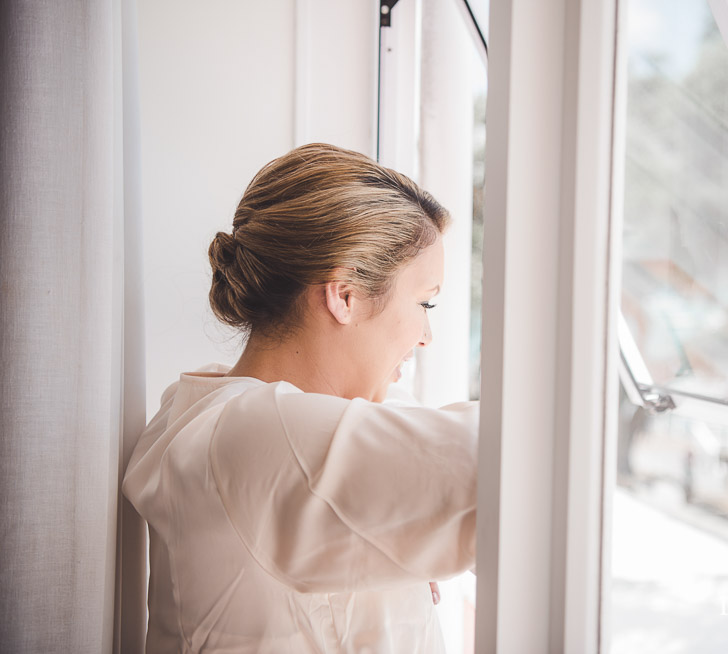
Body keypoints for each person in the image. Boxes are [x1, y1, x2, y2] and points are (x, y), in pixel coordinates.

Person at [123, 143, 479, 653]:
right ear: (345, 295)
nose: (427, 336)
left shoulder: (205, 411)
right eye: (424, 302)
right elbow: (493, 464)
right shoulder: (254, 433)